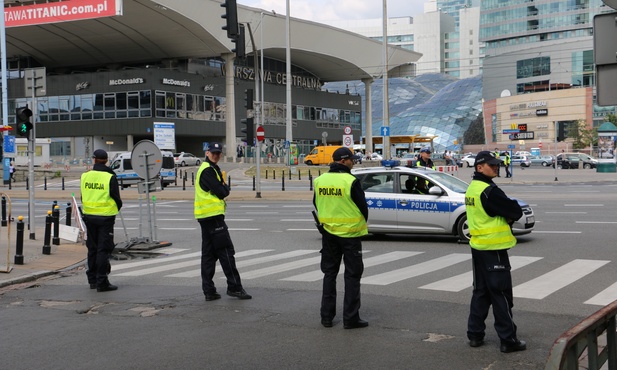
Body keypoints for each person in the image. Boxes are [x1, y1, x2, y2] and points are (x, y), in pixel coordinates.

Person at [465, 151, 526, 353]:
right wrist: (509, 215)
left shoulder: (473, 188)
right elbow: (515, 211)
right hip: (494, 249)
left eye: (497, 164)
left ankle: (475, 335)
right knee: (500, 294)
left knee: (480, 292)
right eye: (492, 165)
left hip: (479, 248)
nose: (496, 167)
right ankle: (508, 340)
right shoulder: (489, 191)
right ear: (479, 167)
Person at [313, 147, 369, 329]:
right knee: (352, 276)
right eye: (351, 159)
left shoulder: (320, 180)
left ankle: (326, 317)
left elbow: (316, 203)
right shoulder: (350, 180)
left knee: (329, 274)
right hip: (351, 235)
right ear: (344, 161)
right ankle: (350, 318)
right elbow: (363, 207)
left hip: (328, 234)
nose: (353, 162)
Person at [196, 142, 251, 302]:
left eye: (218, 153)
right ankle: (234, 287)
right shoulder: (208, 170)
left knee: (208, 254)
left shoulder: (209, 169)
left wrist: (223, 187)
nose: (216, 155)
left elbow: (222, 189)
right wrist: (224, 187)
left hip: (206, 217)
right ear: (207, 153)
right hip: (213, 217)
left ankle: (209, 291)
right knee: (226, 251)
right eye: (213, 152)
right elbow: (222, 192)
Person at [80, 149, 122, 292]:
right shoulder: (110, 177)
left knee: (92, 248)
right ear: (106, 160)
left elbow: (82, 196)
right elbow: (116, 197)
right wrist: (116, 208)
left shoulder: (85, 176)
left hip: (89, 216)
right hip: (105, 217)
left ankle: (92, 280)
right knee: (103, 249)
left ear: (94, 159)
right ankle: (102, 282)